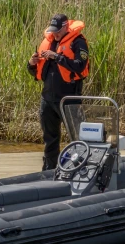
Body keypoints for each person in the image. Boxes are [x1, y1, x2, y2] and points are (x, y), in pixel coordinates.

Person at [27, 13, 89, 170]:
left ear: (66, 27)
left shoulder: (78, 42)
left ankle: (80, 168)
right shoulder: (49, 42)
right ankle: (49, 170)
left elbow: (79, 66)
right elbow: (38, 73)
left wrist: (57, 57)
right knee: (50, 138)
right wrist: (32, 64)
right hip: (47, 99)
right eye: (52, 30)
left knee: (78, 137)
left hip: (69, 99)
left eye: (58, 31)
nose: (55, 34)